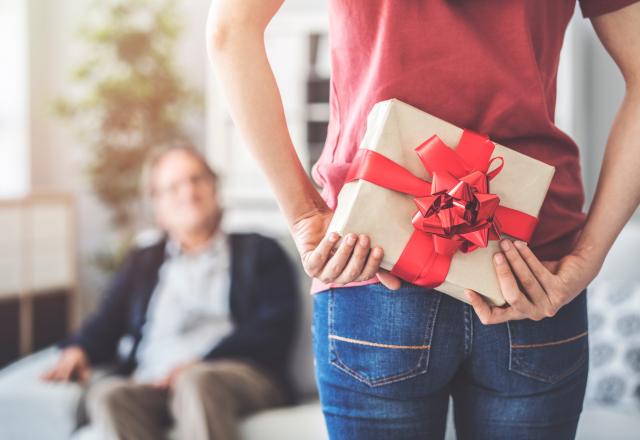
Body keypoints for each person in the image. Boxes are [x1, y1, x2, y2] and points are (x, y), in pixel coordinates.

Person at [206, 0, 640, 438]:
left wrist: (303, 214)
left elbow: (230, 32)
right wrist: (588, 255)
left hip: (371, 251)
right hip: (531, 266)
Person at [41, 146, 298, 440]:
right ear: (158, 207)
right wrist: (79, 348)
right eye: (174, 186)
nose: (188, 192)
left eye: (196, 179)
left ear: (214, 187)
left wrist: (202, 361)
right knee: (110, 395)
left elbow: (274, 329)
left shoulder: (260, 251)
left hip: (234, 377)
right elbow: (108, 320)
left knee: (196, 381)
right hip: (155, 382)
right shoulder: (142, 260)